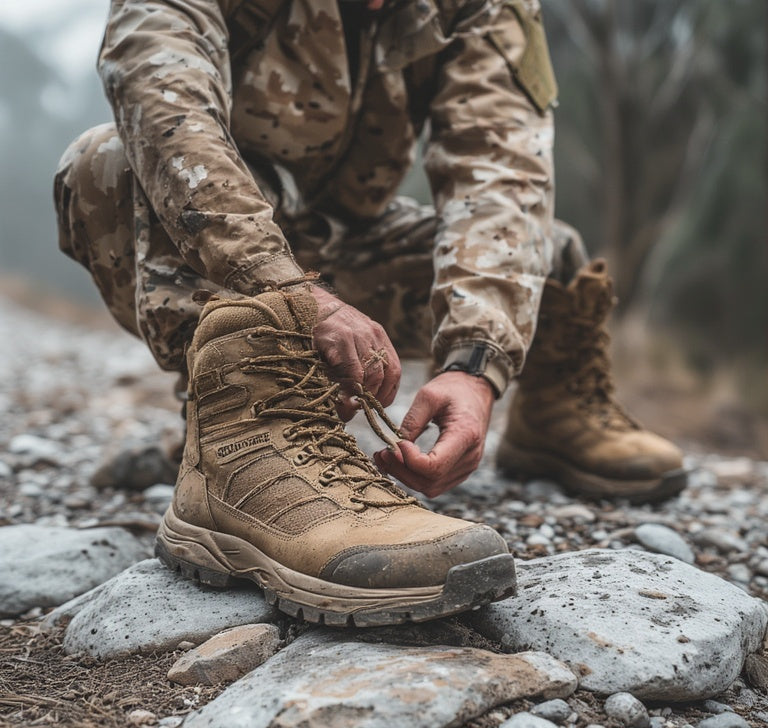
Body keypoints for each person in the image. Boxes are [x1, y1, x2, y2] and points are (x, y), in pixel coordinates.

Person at [54, 0, 685, 626]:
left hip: (350, 244)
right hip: (232, 258)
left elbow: (499, 170)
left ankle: (553, 421)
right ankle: (245, 432)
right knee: (105, 164)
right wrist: (289, 293)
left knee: (548, 254)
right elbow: (166, 105)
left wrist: (477, 363)